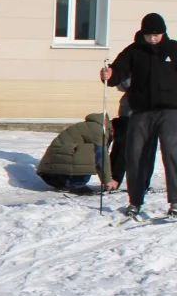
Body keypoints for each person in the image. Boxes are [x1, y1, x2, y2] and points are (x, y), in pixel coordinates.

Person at [101, 13, 177, 218]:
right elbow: (118, 71)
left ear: (163, 32)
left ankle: (175, 202)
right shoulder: (133, 51)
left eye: (157, 34)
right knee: (134, 154)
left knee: (171, 151)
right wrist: (109, 75)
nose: (153, 38)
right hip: (141, 111)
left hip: (170, 110)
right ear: (142, 33)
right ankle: (135, 201)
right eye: (149, 35)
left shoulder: (173, 49)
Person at [36, 113, 111, 194]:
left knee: (88, 148)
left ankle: (73, 183)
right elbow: (102, 156)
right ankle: (76, 183)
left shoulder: (87, 126)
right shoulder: (98, 130)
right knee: (92, 151)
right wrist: (107, 181)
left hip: (49, 174)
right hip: (65, 176)